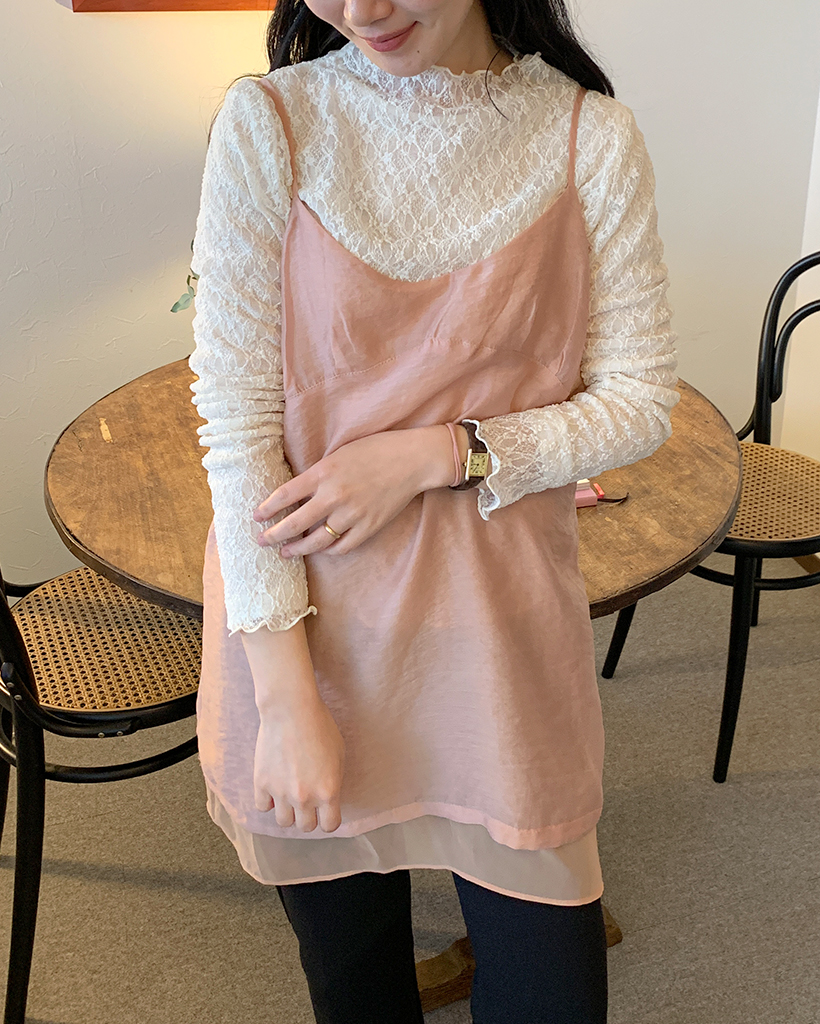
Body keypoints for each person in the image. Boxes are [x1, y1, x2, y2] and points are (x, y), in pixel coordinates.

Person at [188, 1, 678, 1021]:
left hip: (498, 641)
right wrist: (285, 701)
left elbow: (638, 403)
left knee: (551, 991)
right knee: (357, 990)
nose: (360, 9)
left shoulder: (588, 135)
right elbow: (237, 433)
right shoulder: (271, 124)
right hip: (308, 642)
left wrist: (434, 454)